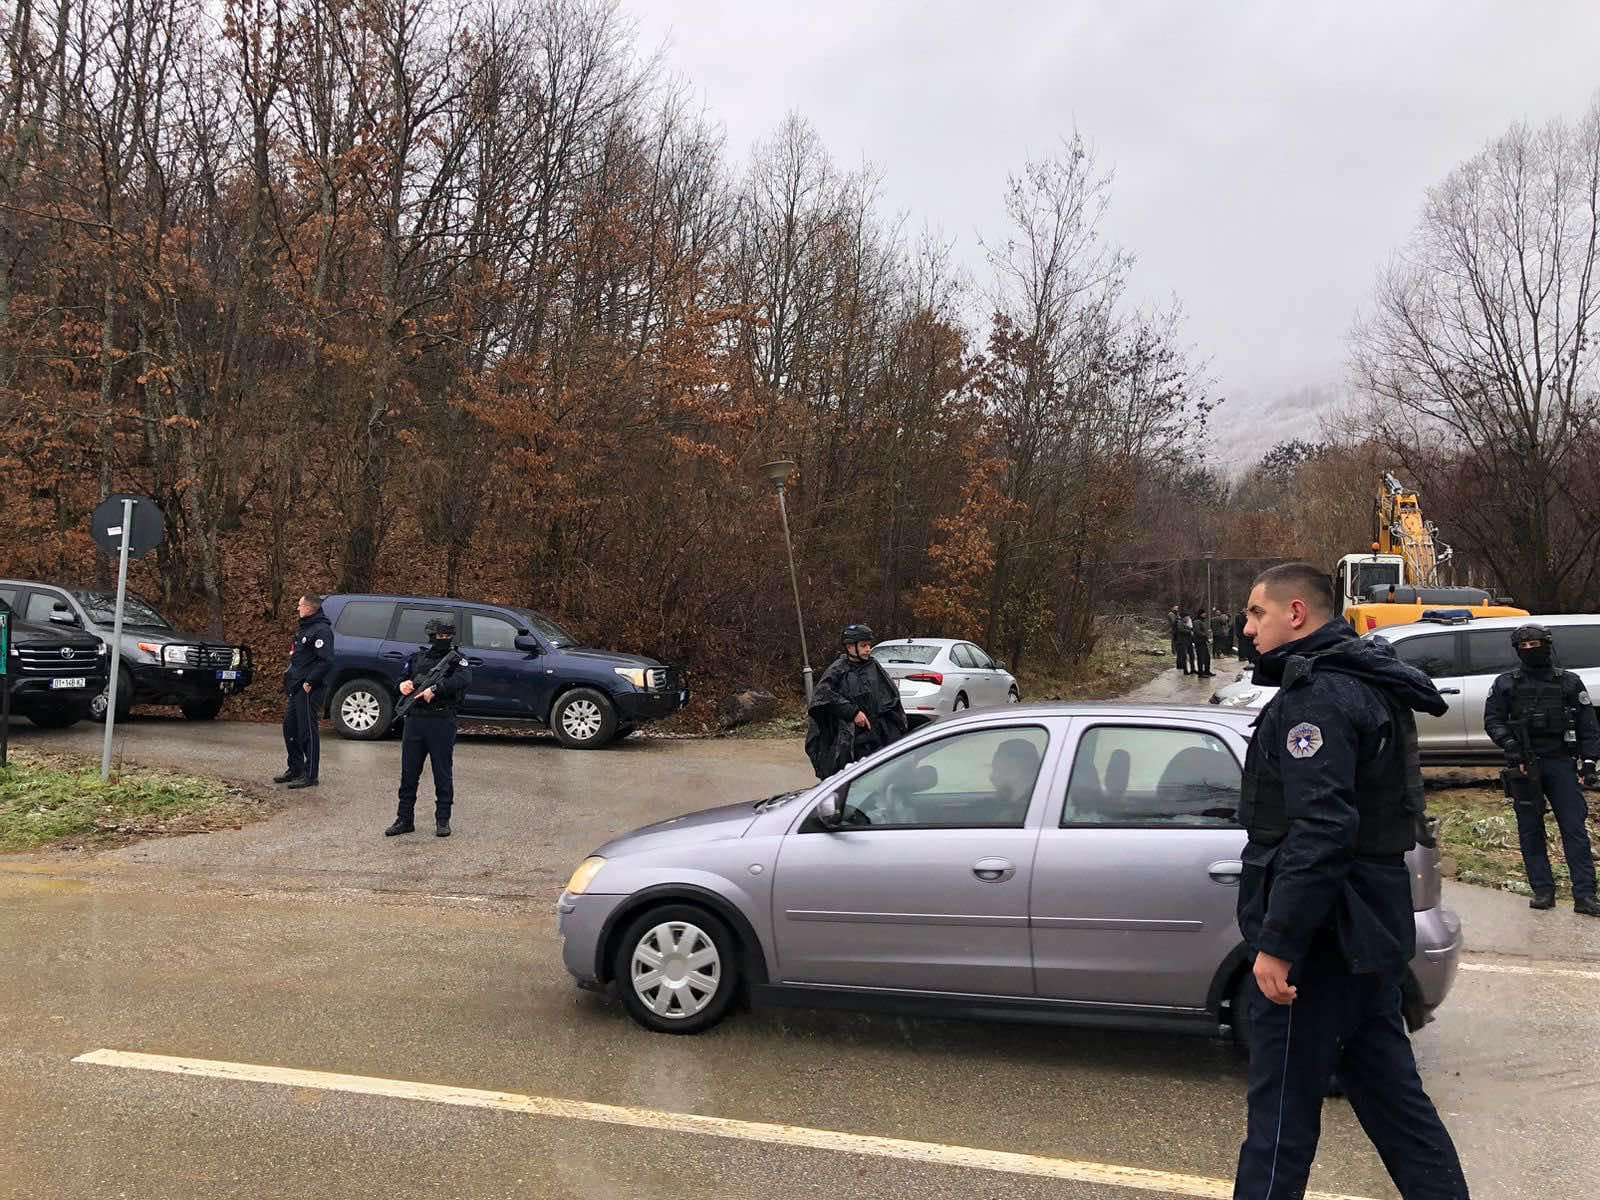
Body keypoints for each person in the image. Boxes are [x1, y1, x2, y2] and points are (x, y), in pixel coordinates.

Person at [1234, 562, 1468, 1199]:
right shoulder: (1363, 681)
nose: (1249, 627)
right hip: (1369, 934)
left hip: (1324, 943)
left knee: (1279, 1121)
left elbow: (1321, 829)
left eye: (1257, 613)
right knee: (1397, 1108)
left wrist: (1279, 942)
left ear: (1297, 614)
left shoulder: (1317, 698)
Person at [1483, 623, 1600, 916]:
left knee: (1574, 829)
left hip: (1561, 762)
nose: (1531, 651)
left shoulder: (1569, 682)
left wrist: (1589, 762)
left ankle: (1584, 895)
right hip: (1523, 764)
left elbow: (1589, 726)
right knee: (1530, 830)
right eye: (1525, 647)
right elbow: (1493, 719)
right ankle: (1543, 891)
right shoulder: (1506, 683)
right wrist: (1509, 743)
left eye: (1536, 645)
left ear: (1547, 645)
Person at [385, 617, 473, 838]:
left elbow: (463, 680)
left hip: (441, 720)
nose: (442, 640)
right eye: (438, 636)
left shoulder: (456, 661)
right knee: (409, 772)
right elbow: (400, 680)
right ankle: (404, 819)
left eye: (446, 636)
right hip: (415, 720)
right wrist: (402, 685)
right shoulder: (417, 658)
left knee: (442, 772)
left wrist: (436, 689)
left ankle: (442, 820)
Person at [804, 623, 908, 779]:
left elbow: (891, 697)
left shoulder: (874, 666)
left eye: (869, 645)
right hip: (851, 742)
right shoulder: (838, 669)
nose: (868, 649)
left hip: (877, 738)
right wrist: (852, 712)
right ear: (850, 647)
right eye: (864, 645)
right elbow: (822, 695)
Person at [275, 594, 332, 789]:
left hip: (309, 688)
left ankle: (310, 774)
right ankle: (295, 768)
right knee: (290, 728)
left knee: (307, 730)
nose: (297, 608)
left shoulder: (322, 630)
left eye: (300, 605)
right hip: (296, 686)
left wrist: (310, 681)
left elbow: (326, 660)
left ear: (309, 608)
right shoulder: (305, 628)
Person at [1192, 607, 1213, 678]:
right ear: (1200, 614)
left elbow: (1204, 631)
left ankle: (1207, 671)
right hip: (1199, 642)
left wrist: (1207, 638)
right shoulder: (1196, 621)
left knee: (1207, 657)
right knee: (1200, 658)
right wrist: (1205, 635)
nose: (1205, 614)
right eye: (1204, 613)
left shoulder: (1203, 621)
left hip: (1204, 642)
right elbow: (1197, 632)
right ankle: (1200, 673)